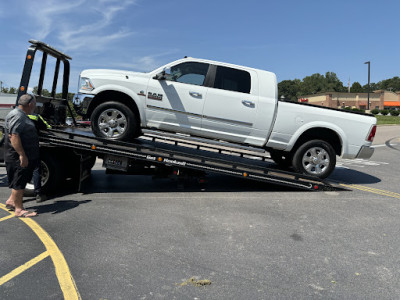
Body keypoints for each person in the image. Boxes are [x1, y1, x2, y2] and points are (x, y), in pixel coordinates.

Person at [4, 94, 40, 218]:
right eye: (35, 104)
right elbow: (14, 136)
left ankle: (11, 201)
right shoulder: (18, 115)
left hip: (22, 155)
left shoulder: (20, 114)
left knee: (20, 180)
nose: (35, 106)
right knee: (19, 182)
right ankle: (19, 210)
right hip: (17, 156)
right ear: (30, 104)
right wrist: (22, 155)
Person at [28, 113, 51, 202]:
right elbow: (47, 126)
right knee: (36, 169)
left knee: (21, 171)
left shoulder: (16, 115)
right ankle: (38, 194)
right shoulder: (35, 116)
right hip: (32, 147)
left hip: (19, 148)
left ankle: (16, 195)